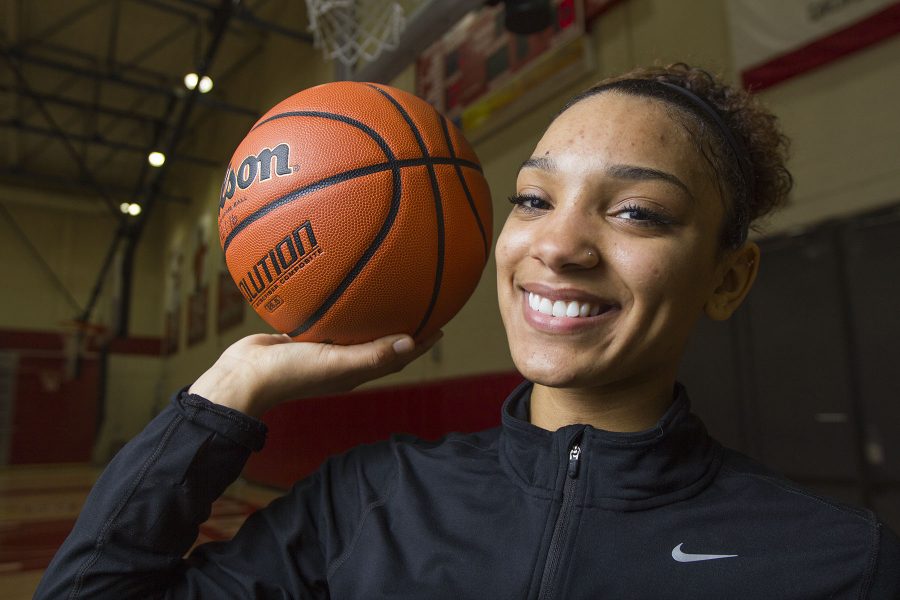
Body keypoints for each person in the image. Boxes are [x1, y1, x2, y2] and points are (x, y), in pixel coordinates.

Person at [36, 64, 899, 599]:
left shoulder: (836, 564)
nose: (557, 245)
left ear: (728, 278)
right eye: (532, 198)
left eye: (636, 211)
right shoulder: (365, 504)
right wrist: (227, 392)